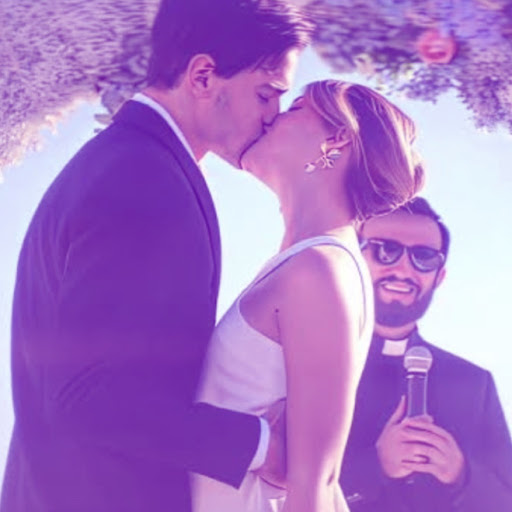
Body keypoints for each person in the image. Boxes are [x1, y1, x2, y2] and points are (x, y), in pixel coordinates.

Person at [0, 1, 313, 511]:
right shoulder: (144, 177)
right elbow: (89, 398)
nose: (272, 115)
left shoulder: (128, 161)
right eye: (265, 93)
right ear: (203, 76)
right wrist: (261, 445)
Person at [192, 79, 424, 512]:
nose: (272, 116)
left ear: (337, 139)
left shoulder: (319, 270)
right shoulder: (305, 264)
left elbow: (315, 484)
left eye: (295, 107)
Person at [340, 197, 512, 511]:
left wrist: (461, 475)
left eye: (423, 257)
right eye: (385, 250)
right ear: (353, 258)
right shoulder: (305, 365)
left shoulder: (474, 383)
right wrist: (374, 467)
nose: (403, 269)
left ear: (439, 276)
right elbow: (270, 487)